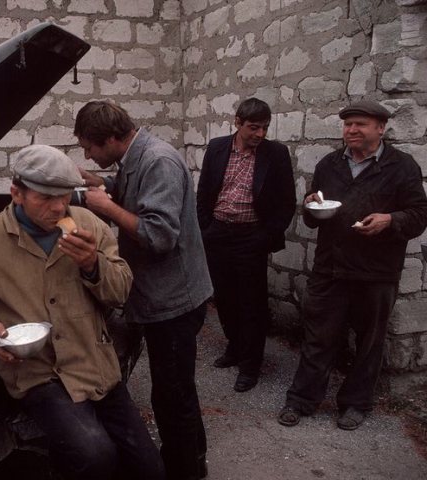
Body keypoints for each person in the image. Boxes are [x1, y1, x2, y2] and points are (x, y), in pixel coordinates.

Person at [0, 144, 164, 480]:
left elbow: (121, 291)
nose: (58, 207)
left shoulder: (88, 224)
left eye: (64, 196)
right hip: (39, 372)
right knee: (94, 455)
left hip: (94, 362)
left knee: (150, 469)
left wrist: (92, 264)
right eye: (45, 197)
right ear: (17, 193)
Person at [74, 101, 212, 480]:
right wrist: (99, 182)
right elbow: (134, 190)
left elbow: (160, 234)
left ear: (114, 137)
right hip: (164, 295)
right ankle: (195, 459)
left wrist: (107, 207)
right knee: (179, 387)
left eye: (91, 147)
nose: (88, 153)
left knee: (170, 396)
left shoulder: (158, 161)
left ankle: (184, 471)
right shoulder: (137, 158)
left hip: (174, 300)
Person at [278, 100, 427, 430]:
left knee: (369, 342)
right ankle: (301, 400)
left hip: (376, 272)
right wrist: (310, 207)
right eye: (347, 125)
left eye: (360, 124)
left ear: (381, 128)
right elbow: (314, 216)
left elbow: (419, 216)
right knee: (318, 337)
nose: (352, 130)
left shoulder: (402, 166)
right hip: (329, 268)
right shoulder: (330, 164)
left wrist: (391, 219)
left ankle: (356, 404)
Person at [196, 97, 296, 392]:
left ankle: (251, 365)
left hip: (251, 236)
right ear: (237, 122)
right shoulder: (216, 148)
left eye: (265, 128)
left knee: (251, 303)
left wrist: (265, 236)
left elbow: (286, 202)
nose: (260, 134)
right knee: (224, 297)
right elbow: (203, 193)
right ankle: (235, 348)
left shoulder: (275, 154)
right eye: (254, 127)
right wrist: (206, 228)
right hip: (218, 234)